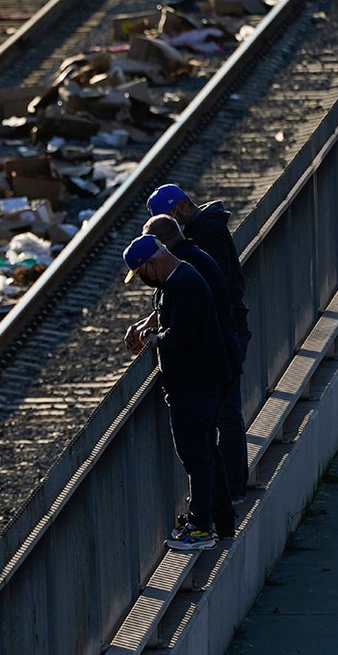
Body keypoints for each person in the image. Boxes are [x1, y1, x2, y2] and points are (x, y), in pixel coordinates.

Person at [122, 234, 236, 550]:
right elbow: (164, 314)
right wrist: (145, 329)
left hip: (194, 386)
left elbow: (180, 335)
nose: (143, 280)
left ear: (152, 264)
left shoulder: (184, 284)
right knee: (208, 452)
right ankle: (221, 520)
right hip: (197, 384)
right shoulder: (175, 280)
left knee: (195, 456)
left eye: (141, 273)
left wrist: (152, 340)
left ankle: (201, 528)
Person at [147, 185, 252, 504]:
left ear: (178, 210)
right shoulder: (202, 233)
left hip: (226, 335)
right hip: (226, 333)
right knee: (222, 414)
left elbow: (202, 295)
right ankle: (227, 491)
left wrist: (158, 332)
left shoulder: (205, 237)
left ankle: (232, 489)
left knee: (226, 413)